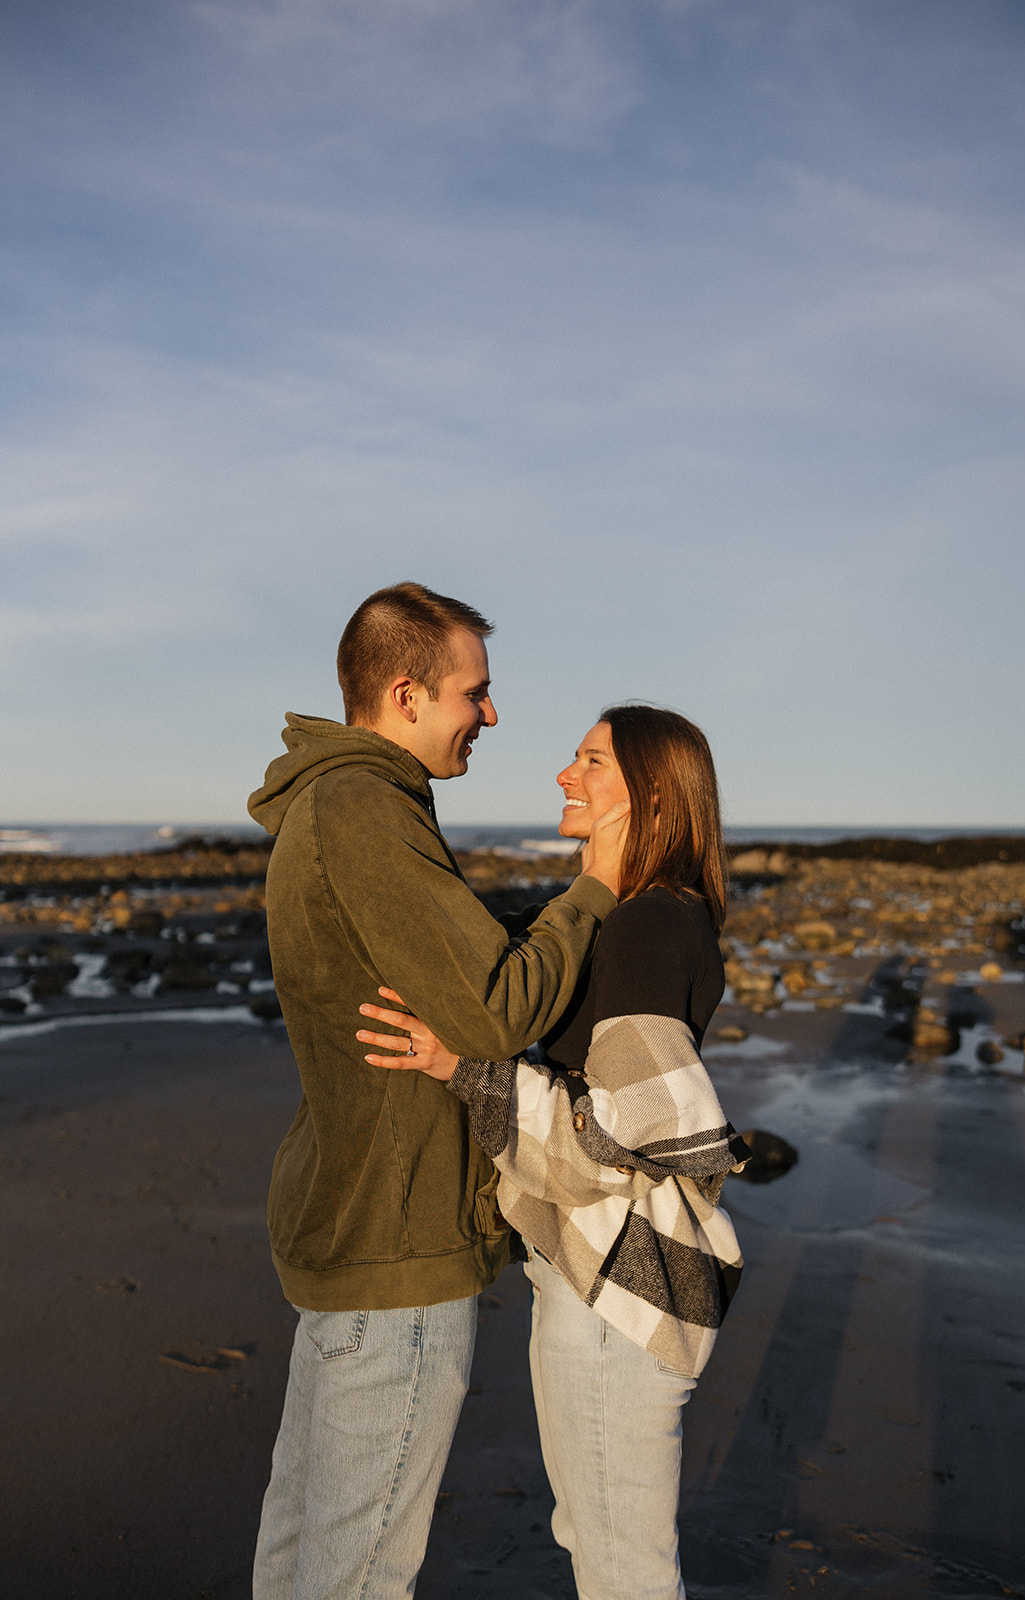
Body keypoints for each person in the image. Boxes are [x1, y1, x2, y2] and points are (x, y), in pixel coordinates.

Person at [247, 583, 626, 1600]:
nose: (491, 716)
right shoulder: (363, 808)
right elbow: (498, 1007)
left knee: (302, 1554)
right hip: (397, 1249)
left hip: (354, 1219)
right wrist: (594, 887)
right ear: (407, 693)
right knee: (354, 1574)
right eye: (476, 693)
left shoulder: (334, 801)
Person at [358, 704, 749, 1600]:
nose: (566, 775)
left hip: (618, 1288)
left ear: (652, 797)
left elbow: (625, 1141)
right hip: (590, 1278)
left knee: (621, 1566)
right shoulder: (627, 916)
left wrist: (460, 1067)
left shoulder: (651, 927)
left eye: (591, 761)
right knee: (597, 1537)